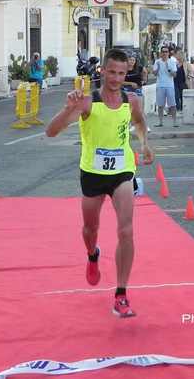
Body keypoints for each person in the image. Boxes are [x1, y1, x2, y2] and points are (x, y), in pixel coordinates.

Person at [45, 48, 154, 318]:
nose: (116, 78)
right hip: (92, 174)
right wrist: (68, 108)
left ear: (126, 73)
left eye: (121, 73)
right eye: (112, 72)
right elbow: (51, 131)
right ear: (102, 71)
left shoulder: (132, 101)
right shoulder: (87, 102)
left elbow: (140, 123)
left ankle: (121, 294)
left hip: (122, 172)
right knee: (89, 229)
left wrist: (144, 145)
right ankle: (93, 255)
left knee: (126, 231)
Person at [152, 46, 178, 127]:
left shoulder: (172, 62)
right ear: (161, 53)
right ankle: (160, 122)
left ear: (168, 53)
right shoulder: (157, 62)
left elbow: (174, 75)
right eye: (163, 51)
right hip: (160, 85)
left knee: (172, 104)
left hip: (170, 86)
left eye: (166, 52)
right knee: (160, 105)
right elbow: (155, 74)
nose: (164, 53)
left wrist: (168, 68)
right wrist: (158, 67)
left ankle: (174, 122)